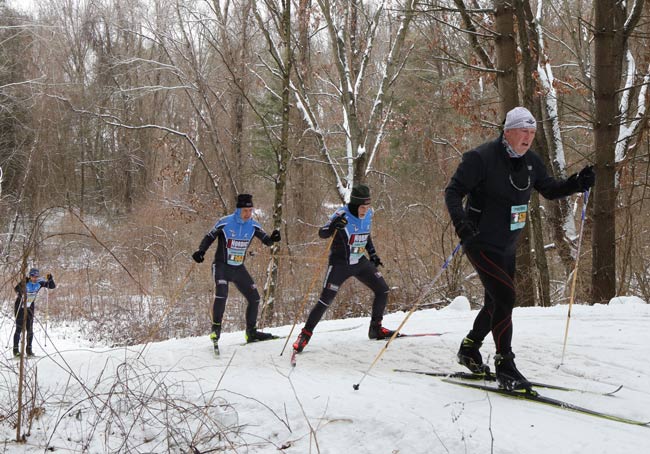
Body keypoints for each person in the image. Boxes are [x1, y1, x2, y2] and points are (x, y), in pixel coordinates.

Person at [444, 106, 595, 391]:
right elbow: (452, 192)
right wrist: (462, 224)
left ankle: (469, 348)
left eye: (532, 132)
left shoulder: (531, 162)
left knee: (494, 302)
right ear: (508, 131)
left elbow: (549, 188)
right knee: (506, 296)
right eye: (523, 131)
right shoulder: (481, 158)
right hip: (480, 241)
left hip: (507, 244)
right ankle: (505, 365)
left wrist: (576, 183)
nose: (528, 137)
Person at [292, 184, 396, 353]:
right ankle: (305, 335)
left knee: (382, 289)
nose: (365, 210)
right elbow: (323, 233)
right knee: (325, 300)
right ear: (355, 205)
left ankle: (375, 328)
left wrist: (373, 254)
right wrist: (334, 226)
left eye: (367, 206)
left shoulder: (369, 214)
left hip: (360, 262)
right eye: (362, 207)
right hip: (340, 264)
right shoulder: (342, 214)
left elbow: (365, 233)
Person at [192, 193, 281, 351]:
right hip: (221, 266)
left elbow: (266, 240)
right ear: (238, 210)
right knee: (222, 294)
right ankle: (216, 330)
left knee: (254, 298)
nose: (248, 214)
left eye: (250, 210)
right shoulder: (225, 222)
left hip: (238, 268)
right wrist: (201, 251)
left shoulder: (253, 225)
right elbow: (209, 237)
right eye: (245, 210)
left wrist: (273, 238)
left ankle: (251, 333)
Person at [13, 268, 56, 357]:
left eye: (36, 276)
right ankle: (16, 351)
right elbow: (16, 289)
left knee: (30, 329)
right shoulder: (25, 281)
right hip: (20, 306)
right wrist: (21, 288)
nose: (34, 278)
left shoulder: (39, 283)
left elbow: (52, 286)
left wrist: (50, 279)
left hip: (30, 306)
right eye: (33, 276)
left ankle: (29, 350)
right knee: (19, 328)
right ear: (30, 276)